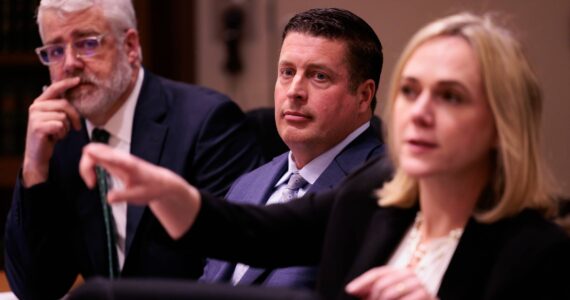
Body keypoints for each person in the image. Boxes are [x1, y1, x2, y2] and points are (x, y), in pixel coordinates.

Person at [77, 12, 570, 300]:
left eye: (451, 97)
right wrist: (172, 192)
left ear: (500, 123)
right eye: (412, 91)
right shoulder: (369, 201)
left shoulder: (539, 254)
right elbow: (256, 232)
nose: (419, 113)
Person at [4, 0, 262, 299]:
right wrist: (34, 166)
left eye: (87, 44)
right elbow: (35, 288)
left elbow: (235, 269)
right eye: (56, 50)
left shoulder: (208, 123)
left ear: (130, 46)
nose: (70, 63)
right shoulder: (61, 140)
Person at [200, 8, 385, 289]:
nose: (294, 91)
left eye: (319, 76)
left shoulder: (383, 188)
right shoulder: (247, 184)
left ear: (363, 96)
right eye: (287, 72)